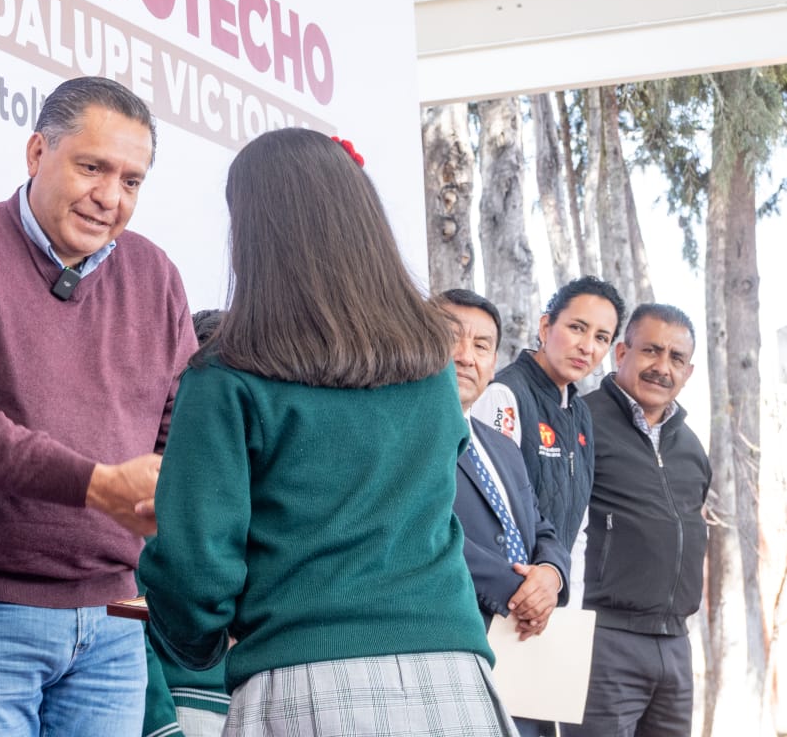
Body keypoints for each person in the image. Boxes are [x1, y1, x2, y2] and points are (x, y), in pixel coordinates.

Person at [140, 129, 514, 736]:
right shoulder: (431, 368)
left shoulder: (228, 374)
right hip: (456, 680)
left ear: (256, 230)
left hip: (305, 681)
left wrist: (197, 640)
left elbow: (195, 570)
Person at [0, 75, 198, 736]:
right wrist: (98, 485)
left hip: (117, 619)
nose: (110, 197)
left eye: (131, 180)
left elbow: (183, 425)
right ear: (37, 153)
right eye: (92, 168)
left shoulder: (156, 274)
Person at [562, 304, 709, 737]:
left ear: (689, 372)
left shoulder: (691, 447)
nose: (663, 367)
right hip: (604, 640)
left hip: (675, 644)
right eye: (651, 351)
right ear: (622, 352)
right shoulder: (581, 422)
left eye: (676, 358)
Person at [439, 289, 570, 737]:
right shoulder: (401, 439)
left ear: (494, 363)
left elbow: (541, 527)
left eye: (481, 346)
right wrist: (519, 592)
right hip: (452, 659)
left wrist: (550, 576)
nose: (465, 356)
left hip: (525, 661)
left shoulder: (501, 446)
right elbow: (424, 529)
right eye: (450, 338)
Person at [471, 276, 625, 553]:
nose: (587, 347)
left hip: (557, 576)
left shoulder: (580, 413)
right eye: (577, 328)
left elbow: (579, 528)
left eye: (601, 337)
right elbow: (485, 513)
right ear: (545, 327)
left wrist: (565, 577)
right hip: (507, 576)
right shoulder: (504, 395)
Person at [141, 309, 231, 737]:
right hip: (185, 710)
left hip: (267, 702)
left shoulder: (263, 489)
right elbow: (123, 624)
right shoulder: (140, 495)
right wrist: (161, 726)